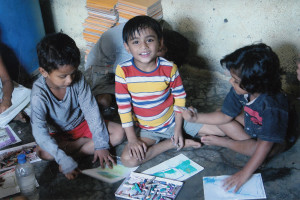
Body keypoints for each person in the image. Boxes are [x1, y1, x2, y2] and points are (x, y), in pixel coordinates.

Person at [179, 43, 289, 192]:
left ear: (254, 85)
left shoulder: (272, 107)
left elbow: (265, 144)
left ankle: (226, 142)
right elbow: (224, 115)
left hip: (273, 140)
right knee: (221, 112)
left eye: (235, 81)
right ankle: (245, 145)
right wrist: (195, 118)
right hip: (254, 124)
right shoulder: (242, 91)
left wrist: (245, 173)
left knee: (257, 150)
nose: (231, 82)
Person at [31, 33, 125, 180]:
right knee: (44, 152)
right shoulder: (38, 95)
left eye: (72, 74)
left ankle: (76, 152)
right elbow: (40, 133)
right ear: (43, 72)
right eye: (63, 76)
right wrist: (61, 157)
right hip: (58, 134)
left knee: (119, 133)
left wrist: (101, 146)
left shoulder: (78, 79)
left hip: (82, 124)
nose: (69, 80)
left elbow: (91, 111)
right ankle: (79, 148)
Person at [115, 16, 202, 168]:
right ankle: (171, 143)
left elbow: (180, 99)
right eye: (136, 42)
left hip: (175, 119)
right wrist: (132, 139)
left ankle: (178, 136)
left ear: (160, 42)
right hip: (149, 131)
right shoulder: (123, 71)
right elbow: (124, 108)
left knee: (220, 130)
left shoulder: (169, 68)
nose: (144, 47)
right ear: (127, 47)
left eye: (149, 40)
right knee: (129, 159)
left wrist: (177, 129)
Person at [85, 22, 189, 118]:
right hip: (100, 68)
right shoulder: (134, 52)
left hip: (115, 66)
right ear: (162, 47)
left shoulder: (148, 32)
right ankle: (105, 98)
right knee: (106, 100)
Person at [0, 54, 30, 127]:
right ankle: (13, 115)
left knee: (28, 94)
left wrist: (6, 100)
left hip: (4, 92)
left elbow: (6, 80)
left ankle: (10, 114)